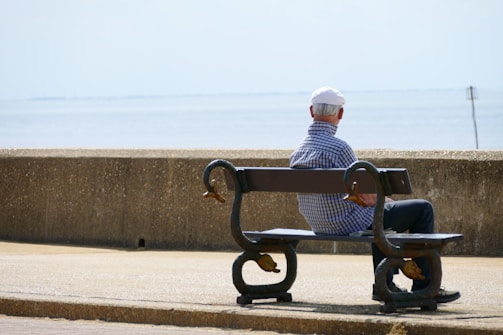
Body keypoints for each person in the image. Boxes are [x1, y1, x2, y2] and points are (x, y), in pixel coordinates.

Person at [289, 86, 460, 303]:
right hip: (348, 223)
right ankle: (425, 286)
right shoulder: (340, 149)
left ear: (312, 111)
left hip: (318, 223)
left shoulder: (298, 151)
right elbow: (369, 197)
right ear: (340, 114)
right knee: (420, 209)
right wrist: (386, 200)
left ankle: (385, 285)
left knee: (379, 216)